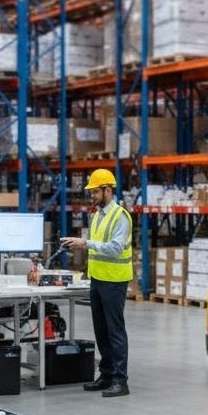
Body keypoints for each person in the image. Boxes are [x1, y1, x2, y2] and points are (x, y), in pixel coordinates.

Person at [59, 168, 132, 398]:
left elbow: (115, 248)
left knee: (115, 332)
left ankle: (121, 380)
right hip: (98, 279)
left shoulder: (120, 216)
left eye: (95, 192)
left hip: (115, 281)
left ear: (108, 190)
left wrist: (85, 243)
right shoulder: (98, 215)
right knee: (101, 331)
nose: (91, 195)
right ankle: (107, 375)